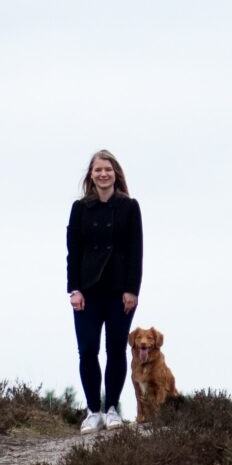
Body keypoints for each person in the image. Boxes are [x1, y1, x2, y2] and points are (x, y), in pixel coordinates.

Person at [65, 148, 143, 431]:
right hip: (88, 290)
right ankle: (92, 410)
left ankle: (112, 408)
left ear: (116, 173)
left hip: (119, 290)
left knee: (115, 350)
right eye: (98, 170)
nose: (103, 174)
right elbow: (73, 251)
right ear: (91, 175)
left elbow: (136, 251)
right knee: (87, 350)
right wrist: (74, 289)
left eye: (107, 169)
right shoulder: (80, 208)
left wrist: (132, 290)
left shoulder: (129, 207)